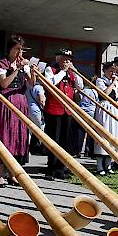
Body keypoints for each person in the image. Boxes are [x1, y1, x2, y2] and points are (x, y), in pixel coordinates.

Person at [0, 35, 35, 187]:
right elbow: (4, 84)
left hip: (21, 101)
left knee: (18, 136)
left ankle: (13, 174)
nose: (19, 52)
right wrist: (17, 69)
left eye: (21, 49)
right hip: (7, 100)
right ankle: (0, 175)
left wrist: (31, 71)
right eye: (17, 49)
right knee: (4, 136)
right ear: (10, 49)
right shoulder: (2, 63)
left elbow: (31, 85)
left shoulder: (24, 64)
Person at [43, 48, 83, 180]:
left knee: (65, 141)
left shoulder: (71, 73)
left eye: (69, 60)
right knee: (53, 140)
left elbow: (80, 86)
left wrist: (75, 72)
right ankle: (50, 168)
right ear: (58, 59)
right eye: (64, 59)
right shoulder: (50, 69)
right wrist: (63, 71)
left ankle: (61, 168)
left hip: (67, 110)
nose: (67, 62)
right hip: (53, 109)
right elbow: (51, 83)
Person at [94, 62, 118, 175]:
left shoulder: (117, 83)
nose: (113, 73)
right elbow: (105, 94)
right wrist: (113, 83)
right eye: (111, 71)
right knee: (103, 135)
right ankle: (100, 166)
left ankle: (109, 166)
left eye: (114, 71)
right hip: (105, 108)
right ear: (105, 70)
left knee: (114, 136)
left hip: (116, 109)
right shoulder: (100, 80)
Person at [79, 77, 99, 158]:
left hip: (82, 111)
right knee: (91, 133)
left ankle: (78, 150)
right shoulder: (96, 92)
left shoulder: (84, 90)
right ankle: (89, 150)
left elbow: (79, 99)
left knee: (81, 132)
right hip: (92, 112)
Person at [25, 80, 46, 155]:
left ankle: (26, 149)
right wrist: (43, 107)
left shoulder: (28, 87)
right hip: (36, 111)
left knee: (29, 131)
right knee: (41, 129)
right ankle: (43, 148)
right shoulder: (39, 87)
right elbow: (41, 100)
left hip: (27, 109)